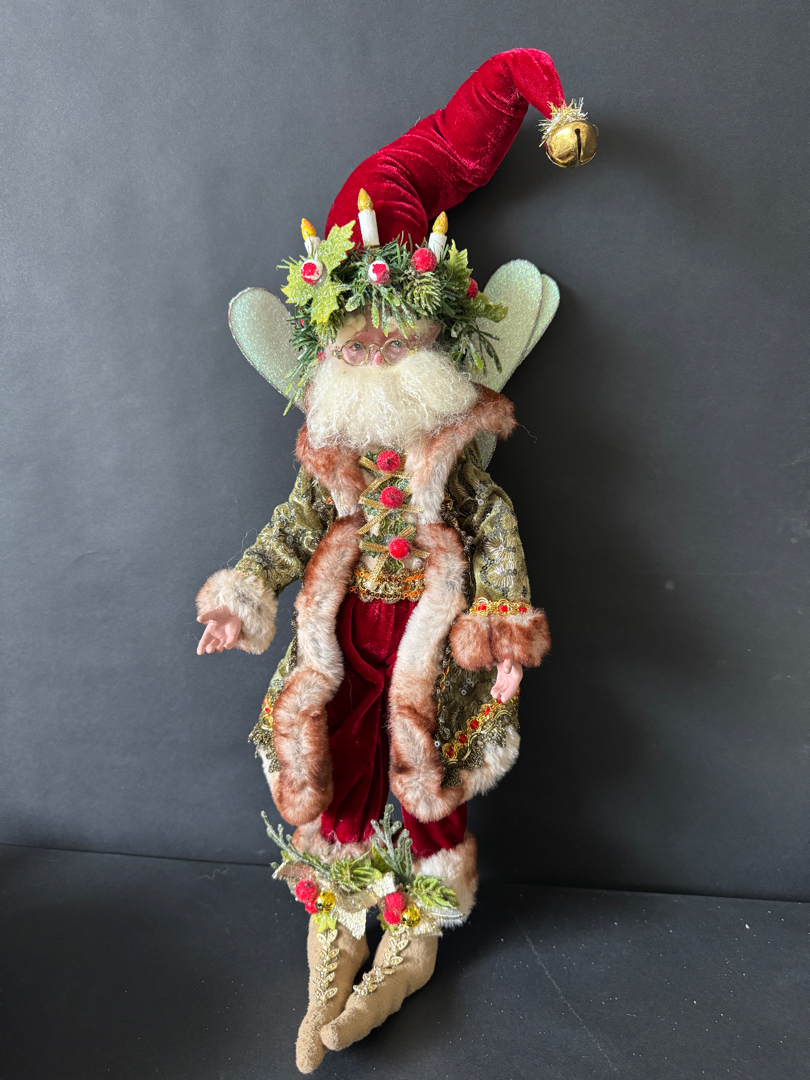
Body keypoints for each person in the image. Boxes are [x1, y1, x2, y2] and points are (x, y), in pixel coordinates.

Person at [195, 48, 596, 1074]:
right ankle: (335, 927)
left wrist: (501, 631)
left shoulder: (450, 450)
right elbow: (290, 528)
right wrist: (244, 597)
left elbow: (495, 525)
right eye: (355, 347)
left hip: (429, 629)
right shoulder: (330, 455)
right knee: (334, 764)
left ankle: (412, 936)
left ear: (428, 344)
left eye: (391, 344)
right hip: (341, 633)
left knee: (426, 774)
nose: (373, 359)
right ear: (331, 352)